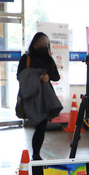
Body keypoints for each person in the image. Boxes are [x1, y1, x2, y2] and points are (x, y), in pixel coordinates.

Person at [17, 32, 62, 160]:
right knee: (39, 124)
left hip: (45, 97)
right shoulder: (26, 58)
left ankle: (36, 154)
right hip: (31, 96)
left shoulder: (48, 58)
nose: (44, 46)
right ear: (35, 44)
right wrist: (38, 76)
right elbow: (20, 76)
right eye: (42, 43)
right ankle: (36, 154)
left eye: (46, 44)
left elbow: (56, 76)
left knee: (41, 126)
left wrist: (48, 76)